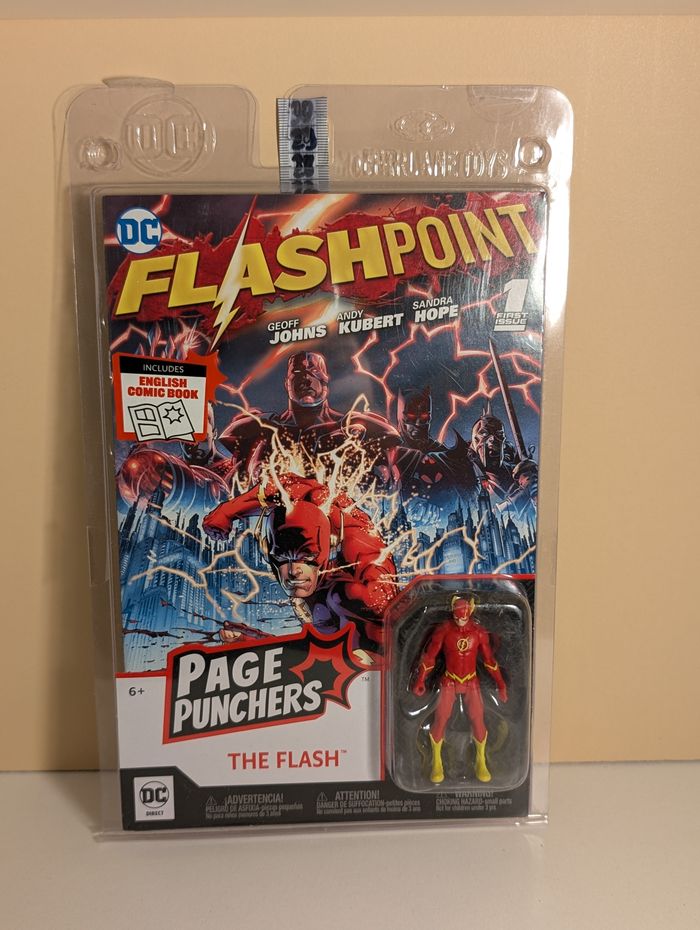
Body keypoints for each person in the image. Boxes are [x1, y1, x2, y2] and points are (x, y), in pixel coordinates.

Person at [203, 472, 397, 662]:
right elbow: (316, 659)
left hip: (385, 650)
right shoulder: (313, 596)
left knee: (344, 597)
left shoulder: (362, 575)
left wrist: (228, 511)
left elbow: (294, 487)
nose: (294, 571)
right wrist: (253, 643)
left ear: (330, 546)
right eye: (282, 558)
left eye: (307, 557)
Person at [412, 594, 507, 783]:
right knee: (441, 718)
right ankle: (436, 762)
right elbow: (430, 657)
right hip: (449, 679)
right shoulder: (444, 630)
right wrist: (420, 680)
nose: (460, 621)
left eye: (463, 617)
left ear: (470, 612)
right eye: (457, 617)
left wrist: (501, 684)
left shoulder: (479, 632)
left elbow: (489, 661)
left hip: (471, 681)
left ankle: (481, 761)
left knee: (478, 719)